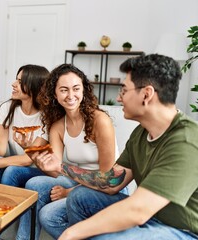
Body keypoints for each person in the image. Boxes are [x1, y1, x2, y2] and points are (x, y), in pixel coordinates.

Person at [36, 54, 198, 239]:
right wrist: (60, 166)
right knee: (79, 197)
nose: (119, 99)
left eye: (124, 90)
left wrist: (73, 233)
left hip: (183, 231)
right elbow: (111, 182)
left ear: (146, 94)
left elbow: (138, 210)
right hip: (151, 219)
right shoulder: (140, 134)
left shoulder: (187, 139)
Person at [16, 63, 121, 240]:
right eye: (64, 90)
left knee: (49, 215)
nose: (71, 95)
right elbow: (55, 170)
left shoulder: (100, 121)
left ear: (84, 91)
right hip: (78, 180)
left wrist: (69, 193)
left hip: (109, 187)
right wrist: (30, 150)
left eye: (76, 89)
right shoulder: (57, 127)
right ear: (55, 94)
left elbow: (107, 177)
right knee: (35, 184)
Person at [0, 64, 49, 185]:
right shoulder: (7, 108)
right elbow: (1, 149)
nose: (13, 84)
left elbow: (27, 160)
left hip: (37, 169)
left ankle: (6, 203)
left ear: (34, 87)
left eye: (20, 81)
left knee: (9, 169)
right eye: (16, 79)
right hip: (15, 163)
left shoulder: (47, 117)